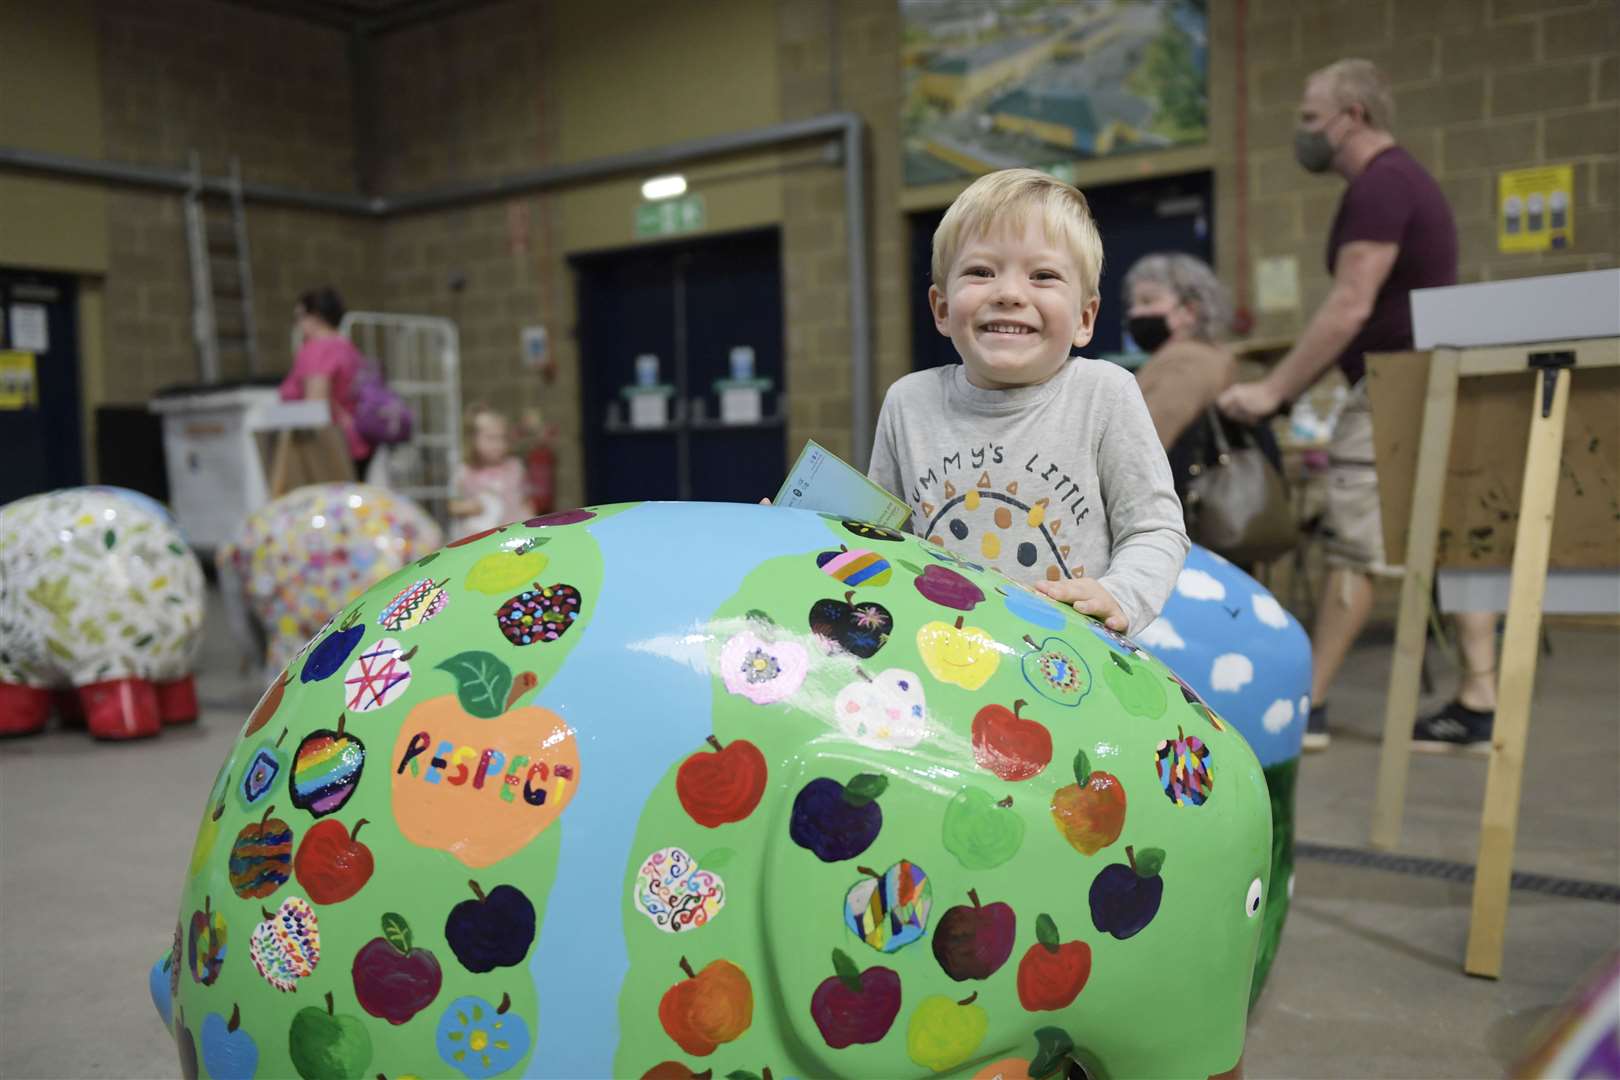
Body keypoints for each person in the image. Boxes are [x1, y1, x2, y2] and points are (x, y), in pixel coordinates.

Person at [1215, 59, 1490, 750]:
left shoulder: (1381, 185)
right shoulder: (1398, 182)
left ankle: (1307, 708)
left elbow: (1349, 305)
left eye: (1311, 119)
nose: (1303, 133)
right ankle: (1479, 699)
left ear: (1353, 118)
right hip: (1430, 377)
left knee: (1352, 550)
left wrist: (1274, 390)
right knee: (1455, 541)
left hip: (1398, 383)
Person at [866, 168, 1188, 635]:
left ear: (1084, 317)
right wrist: (798, 535)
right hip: (940, 655)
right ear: (941, 308)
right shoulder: (908, 402)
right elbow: (879, 535)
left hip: (1067, 660)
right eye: (981, 271)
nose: (1009, 293)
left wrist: (1120, 593)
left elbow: (1155, 529)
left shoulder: (1103, 394)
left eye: (1043, 275)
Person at [1124, 253, 1240, 497]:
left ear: (1189, 310)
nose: (1135, 313)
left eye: (1147, 301)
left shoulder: (1185, 362)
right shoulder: (1210, 354)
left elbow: (1138, 449)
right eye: (1132, 304)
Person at [280, 286, 373, 478]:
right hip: (356, 440)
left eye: (299, 317)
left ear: (315, 316)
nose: (298, 325)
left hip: (329, 445)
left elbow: (315, 404)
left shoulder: (318, 349)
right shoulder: (347, 347)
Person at [449, 404, 534, 537]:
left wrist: (532, 525)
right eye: (491, 438)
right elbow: (453, 505)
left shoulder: (514, 467)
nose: (498, 445)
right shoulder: (465, 472)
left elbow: (526, 501)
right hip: (478, 539)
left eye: (502, 438)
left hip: (514, 536)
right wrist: (470, 507)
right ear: (472, 439)